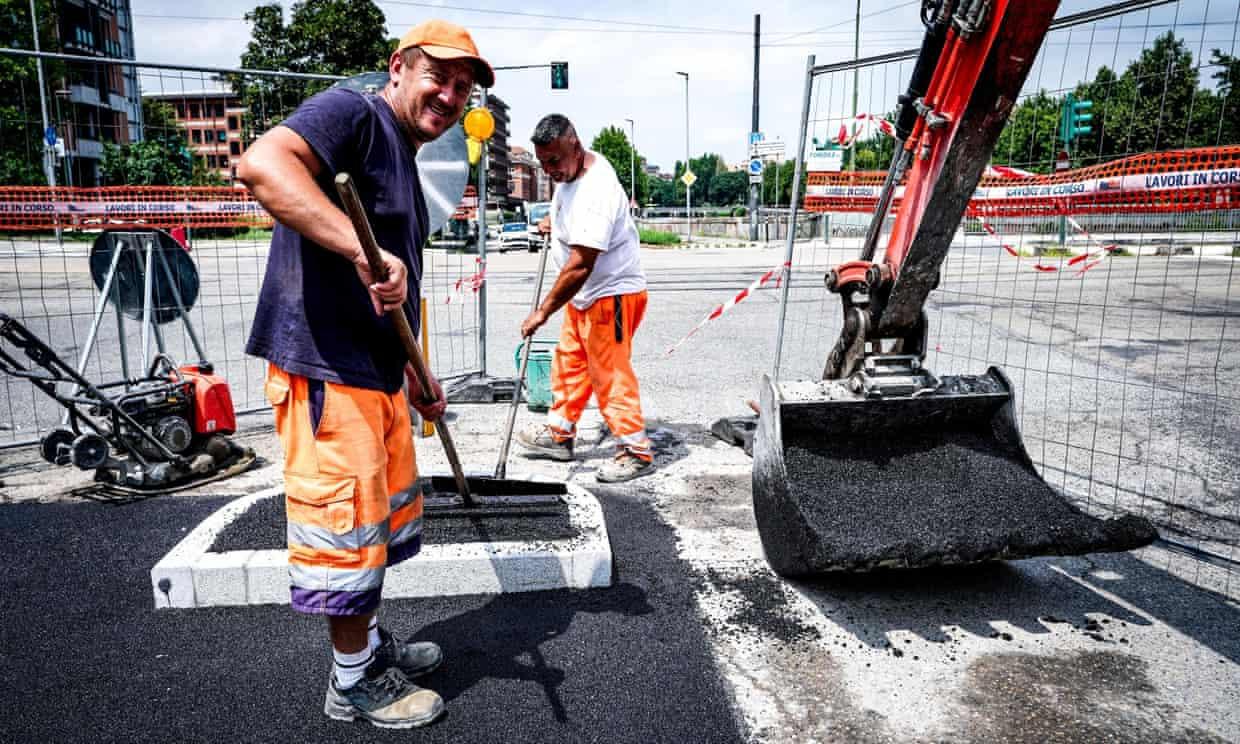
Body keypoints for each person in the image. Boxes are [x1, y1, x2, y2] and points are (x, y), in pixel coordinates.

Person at [237, 19, 494, 730]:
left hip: (375, 371)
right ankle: (351, 682)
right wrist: (361, 247)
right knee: (343, 529)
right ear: (399, 69)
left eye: (463, 87)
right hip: (327, 369)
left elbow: (396, 286)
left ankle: (369, 648)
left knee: (369, 529)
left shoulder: (404, 161)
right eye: (438, 76)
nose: (449, 94)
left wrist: (419, 373)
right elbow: (261, 165)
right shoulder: (353, 112)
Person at [516, 114, 654, 483]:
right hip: (584, 298)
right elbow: (569, 208)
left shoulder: (597, 190)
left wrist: (542, 312)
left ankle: (635, 450)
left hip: (611, 294)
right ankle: (560, 435)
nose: (548, 171)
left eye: (554, 162)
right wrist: (555, 222)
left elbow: (581, 266)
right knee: (570, 364)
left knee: (608, 372)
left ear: (574, 146)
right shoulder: (574, 170)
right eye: (542, 162)